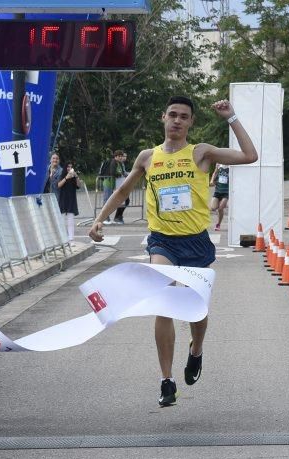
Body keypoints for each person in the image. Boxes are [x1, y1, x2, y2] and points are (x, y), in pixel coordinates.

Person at [88, 96, 258, 407]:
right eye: (173, 115)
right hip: (162, 241)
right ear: (163, 118)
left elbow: (249, 155)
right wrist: (100, 219)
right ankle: (166, 380)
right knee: (163, 303)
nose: (177, 121)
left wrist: (231, 117)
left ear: (191, 122)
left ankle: (196, 350)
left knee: (197, 310)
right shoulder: (147, 157)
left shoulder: (201, 153)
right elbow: (124, 190)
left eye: (184, 117)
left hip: (195, 241)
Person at [57, 158, 79, 240]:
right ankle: (63, 238)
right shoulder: (62, 175)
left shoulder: (73, 177)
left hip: (71, 200)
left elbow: (79, 185)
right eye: (68, 167)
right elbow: (59, 185)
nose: (69, 168)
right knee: (62, 220)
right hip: (63, 199)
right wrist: (66, 178)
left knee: (70, 221)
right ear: (65, 167)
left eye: (71, 167)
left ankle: (71, 238)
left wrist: (76, 177)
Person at [209, 164, 229, 231]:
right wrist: (212, 180)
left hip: (226, 192)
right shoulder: (219, 164)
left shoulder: (232, 166)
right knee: (213, 208)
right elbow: (215, 173)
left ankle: (218, 224)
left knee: (220, 209)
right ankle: (223, 203)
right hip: (218, 190)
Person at [112, 150, 130, 224]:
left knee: (125, 201)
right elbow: (113, 172)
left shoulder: (120, 163)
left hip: (121, 184)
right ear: (116, 156)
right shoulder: (114, 163)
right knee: (123, 201)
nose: (121, 157)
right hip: (117, 185)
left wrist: (127, 175)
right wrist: (120, 174)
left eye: (121, 156)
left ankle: (118, 216)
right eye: (119, 156)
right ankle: (117, 217)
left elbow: (123, 172)